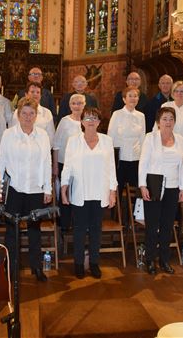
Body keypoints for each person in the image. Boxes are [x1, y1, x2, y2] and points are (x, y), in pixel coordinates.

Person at [0, 97, 52, 282]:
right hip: (14, 189)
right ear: (18, 115)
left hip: (35, 188)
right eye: (24, 113)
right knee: (12, 231)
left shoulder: (43, 135)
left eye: (31, 113)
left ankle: (36, 267)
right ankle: (11, 268)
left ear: (36, 115)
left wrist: (48, 189)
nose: (28, 117)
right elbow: (1, 162)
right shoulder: (8, 134)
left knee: (34, 230)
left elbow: (47, 162)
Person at [61, 107, 117, 279]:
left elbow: (111, 168)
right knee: (78, 230)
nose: (91, 121)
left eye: (94, 118)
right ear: (82, 122)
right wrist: (64, 189)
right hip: (80, 191)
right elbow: (68, 166)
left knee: (95, 230)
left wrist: (112, 191)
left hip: (100, 192)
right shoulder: (73, 140)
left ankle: (94, 263)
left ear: (99, 122)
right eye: (87, 118)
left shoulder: (107, 140)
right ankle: (78, 263)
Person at [138, 107, 183, 275]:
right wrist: (142, 185)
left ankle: (165, 260)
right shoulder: (150, 138)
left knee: (167, 226)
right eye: (165, 119)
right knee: (152, 226)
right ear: (158, 122)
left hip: (173, 188)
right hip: (154, 186)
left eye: (171, 119)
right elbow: (143, 163)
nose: (168, 122)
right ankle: (150, 260)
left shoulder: (180, 139)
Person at [52, 94, 85, 233]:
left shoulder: (88, 120)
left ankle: (79, 224)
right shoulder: (64, 121)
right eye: (74, 103)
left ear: (84, 104)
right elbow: (56, 145)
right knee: (65, 193)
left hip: (83, 165)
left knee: (79, 193)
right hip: (64, 163)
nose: (77, 106)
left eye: (80, 103)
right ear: (70, 105)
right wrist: (55, 165)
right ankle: (64, 225)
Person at [107, 86, 145, 195]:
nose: (133, 98)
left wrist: (142, 156)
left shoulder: (141, 116)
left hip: (136, 157)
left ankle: (134, 212)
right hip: (120, 158)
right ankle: (116, 211)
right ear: (124, 99)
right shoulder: (117, 114)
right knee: (118, 188)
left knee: (136, 189)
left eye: (135, 96)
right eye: (130, 96)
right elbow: (110, 136)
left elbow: (142, 137)